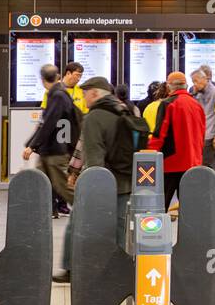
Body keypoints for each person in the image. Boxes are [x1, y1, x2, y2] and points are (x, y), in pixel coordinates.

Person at [56, 77, 148, 282]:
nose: (83, 97)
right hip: (126, 178)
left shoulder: (94, 117)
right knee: (120, 225)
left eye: (86, 93)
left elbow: (92, 153)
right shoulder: (128, 110)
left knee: (77, 222)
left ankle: (71, 267)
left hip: (101, 182)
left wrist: (84, 179)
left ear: (96, 93)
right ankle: (121, 267)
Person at [22, 64, 79, 219]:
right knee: (42, 182)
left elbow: (49, 123)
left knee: (62, 186)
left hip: (56, 150)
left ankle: (86, 208)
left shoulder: (58, 95)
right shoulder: (57, 93)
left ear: (42, 79)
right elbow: (46, 122)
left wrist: (32, 146)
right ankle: (45, 211)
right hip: (50, 149)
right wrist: (31, 143)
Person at [148, 71, 205, 209]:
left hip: (171, 163)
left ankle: (156, 230)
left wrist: (149, 154)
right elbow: (202, 132)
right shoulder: (196, 104)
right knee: (189, 207)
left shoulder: (168, 104)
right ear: (185, 85)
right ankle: (189, 231)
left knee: (161, 205)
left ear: (169, 86)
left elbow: (159, 134)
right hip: (192, 162)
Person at [190, 67, 215, 170]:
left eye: (196, 81)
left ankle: (212, 186)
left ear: (205, 79)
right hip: (199, 135)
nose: (194, 84)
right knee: (199, 166)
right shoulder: (195, 93)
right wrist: (193, 94)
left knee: (210, 167)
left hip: (211, 135)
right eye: (193, 81)